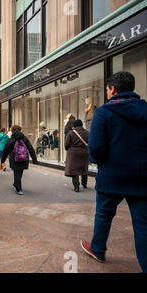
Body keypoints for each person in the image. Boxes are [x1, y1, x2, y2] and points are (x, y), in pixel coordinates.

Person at [80, 71, 147, 273]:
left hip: (112, 175)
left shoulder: (104, 112)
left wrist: (100, 163)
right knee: (143, 226)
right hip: (143, 176)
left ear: (113, 89)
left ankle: (98, 249)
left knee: (104, 213)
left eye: (108, 88)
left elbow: (96, 147)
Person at [1, 125, 38, 196]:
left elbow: (6, 150)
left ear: (12, 131)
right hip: (24, 158)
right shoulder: (24, 138)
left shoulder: (11, 139)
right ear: (20, 130)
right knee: (20, 172)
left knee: (16, 172)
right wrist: (34, 159)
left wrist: (3, 160)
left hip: (14, 158)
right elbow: (30, 148)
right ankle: (16, 184)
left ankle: (19, 189)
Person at [64, 119, 89, 192]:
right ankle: (84, 183)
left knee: (74, 170)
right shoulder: (87, 133)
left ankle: (76, 186)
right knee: (84, 168)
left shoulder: (71, 133)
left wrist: (68, 149)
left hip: (74, 153)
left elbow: (66, 144)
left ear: (74, 126)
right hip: (84, 152)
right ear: (82, 125)